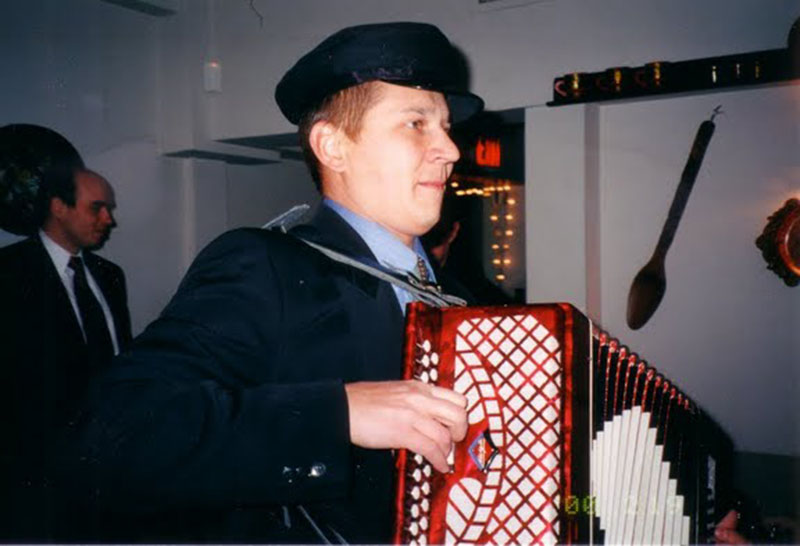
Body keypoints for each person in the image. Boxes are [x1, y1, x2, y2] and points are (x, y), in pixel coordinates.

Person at [62, 22, 482, 543]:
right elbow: (112, 437)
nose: (450, 149)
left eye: (445, 126)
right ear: (332, 146)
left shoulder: (463, 296)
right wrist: (337, 414)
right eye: (416, 123)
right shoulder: (266, 266)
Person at [0, 166, 131, 540]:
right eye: (97, 207)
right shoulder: (8, 274)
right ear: (59, 207)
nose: (109, 219)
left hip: (108, 460)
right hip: (34, 471)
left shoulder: (110, 275)